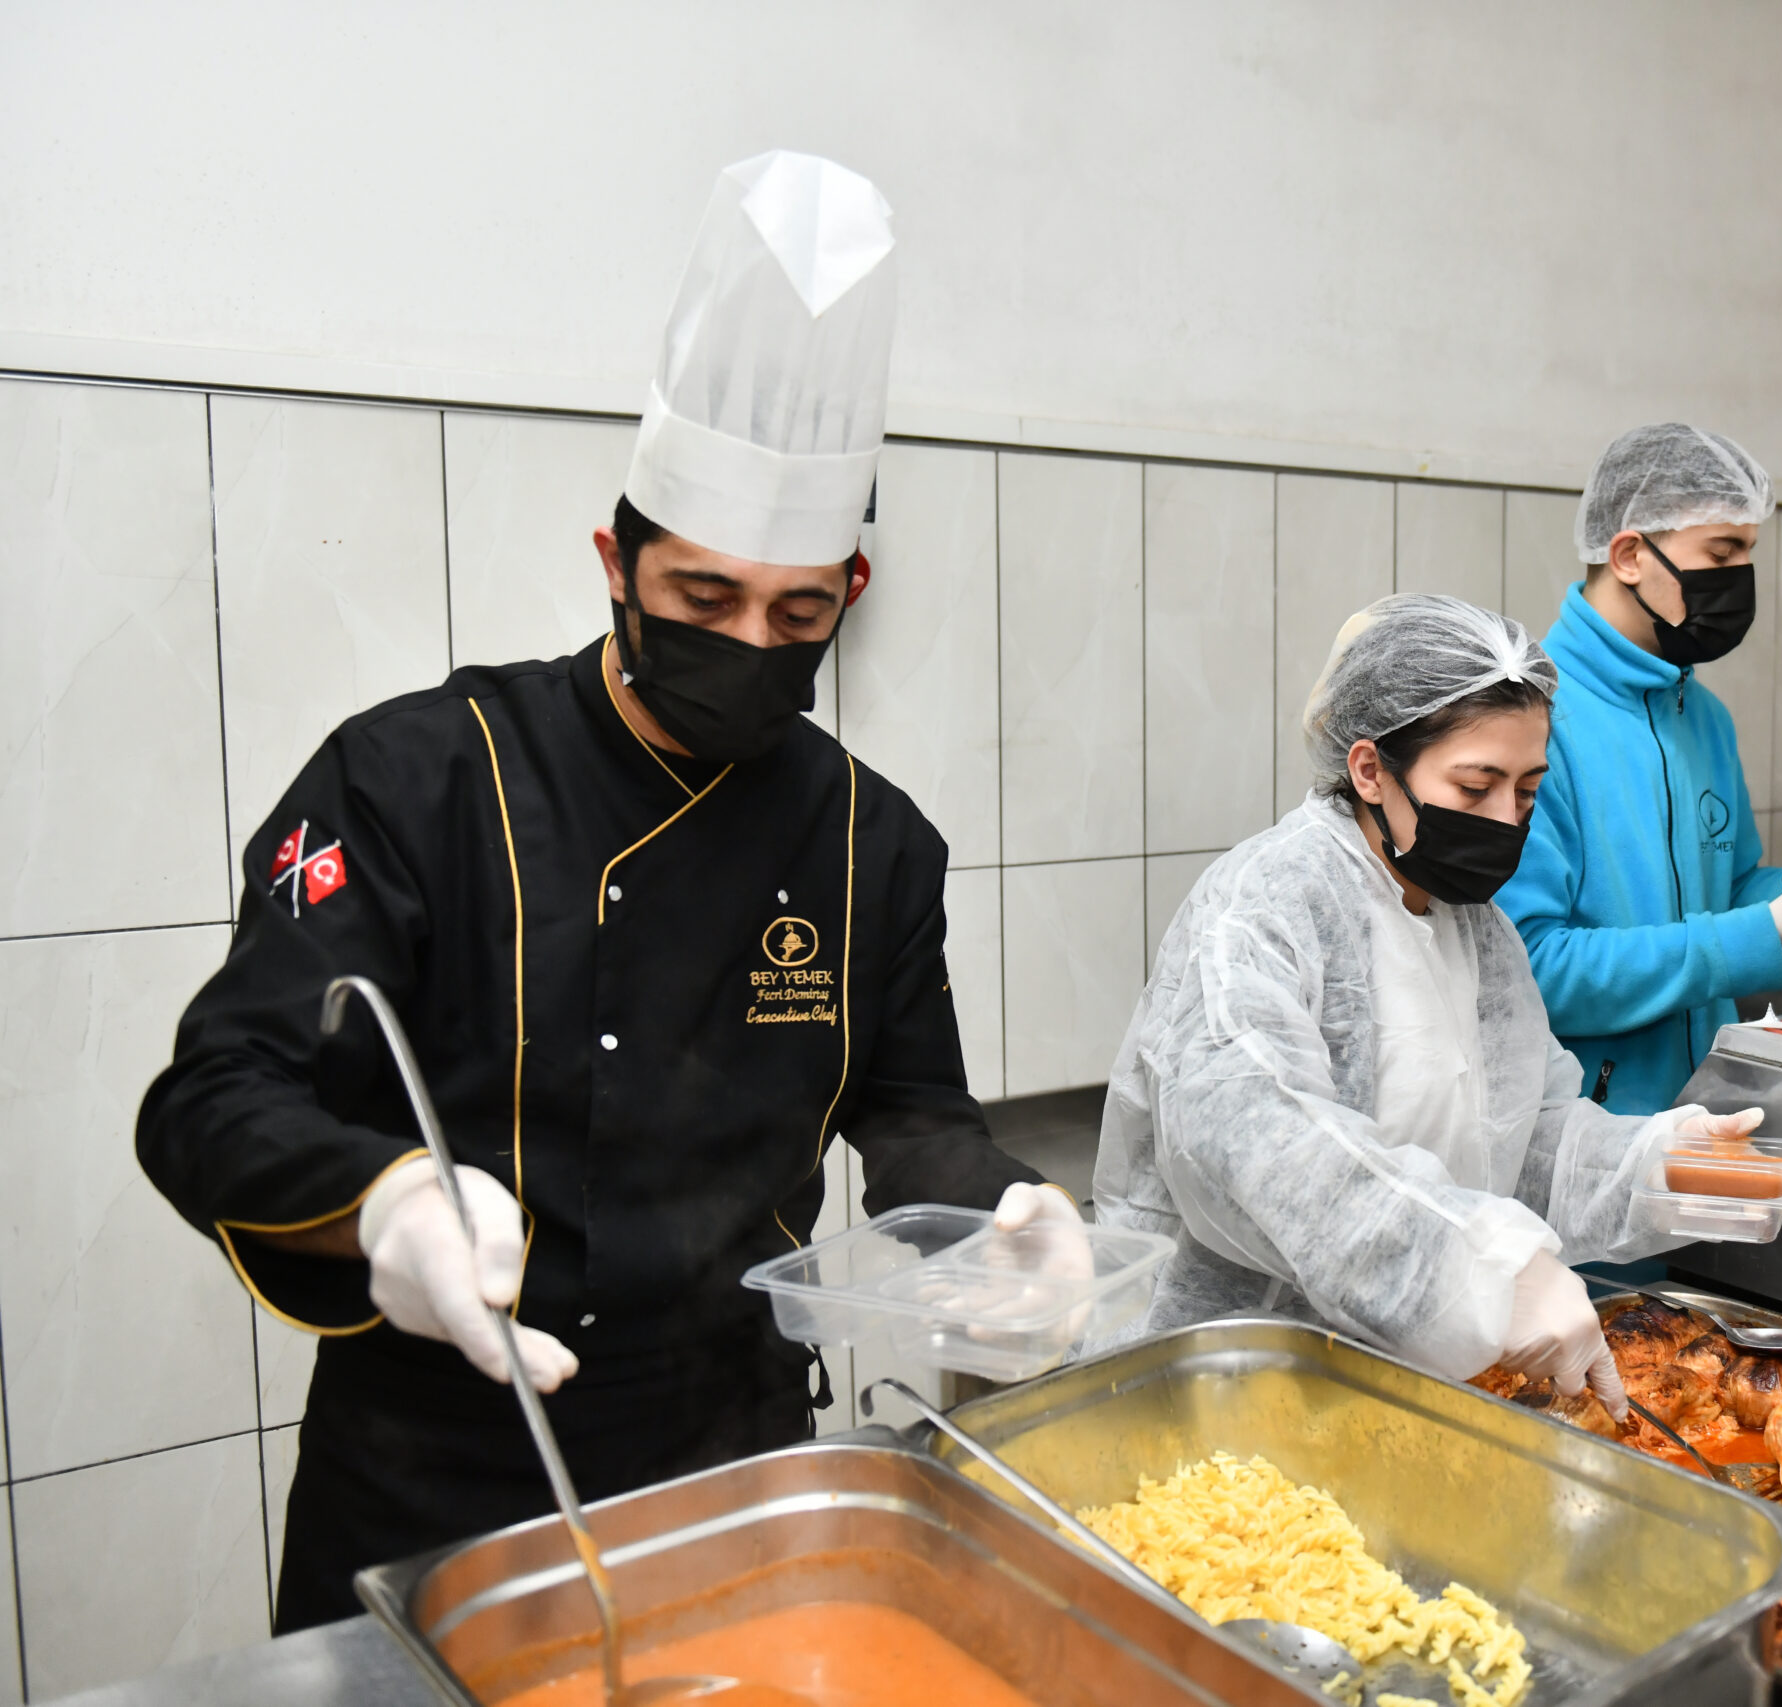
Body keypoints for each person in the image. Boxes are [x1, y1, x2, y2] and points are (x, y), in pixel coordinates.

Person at [134, 152, 1080, 1630]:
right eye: (703, 598)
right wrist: (388, 1204)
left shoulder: (872, 840)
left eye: (797, 611)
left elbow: (912, 1115)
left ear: (850, 597)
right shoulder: (418, 776)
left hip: (733, 1460)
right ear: (614, 566)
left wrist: (1006, 1219)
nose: (749, 642)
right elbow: (210, 1096)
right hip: (436, 1474)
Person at [1092, 594, 1763, 1413]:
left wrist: (1662, 1163)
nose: (1506, 820)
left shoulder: (1478, 930)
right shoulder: (1264, 907)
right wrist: (1485, 1269)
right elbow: (1263, 1148)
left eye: (1527, 790)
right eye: (1476, 786)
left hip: (1407, 1388)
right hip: (1231, 1390)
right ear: (1370, 770)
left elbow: (1529, 1135)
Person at [1496, 424, 1782, 1119]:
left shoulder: (1703, 715)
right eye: (1722, 552)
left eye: (1748, 551)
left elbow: (1732, 887)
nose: (1741, 575)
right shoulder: (1530, 719)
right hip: (1588, 1134)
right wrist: (1768, 935)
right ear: (1629, 555)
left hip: (1706, 1120)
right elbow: (1533, 970)